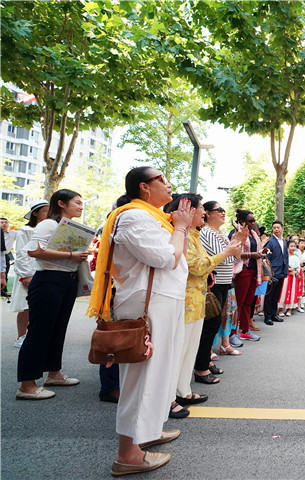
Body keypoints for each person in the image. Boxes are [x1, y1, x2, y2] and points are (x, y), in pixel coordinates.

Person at [86, 167, 191, 475]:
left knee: (161, 373)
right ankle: (128, 455)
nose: (169, 184)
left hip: (164, 300)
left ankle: (147, 433)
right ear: (144, 187)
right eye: (161, 179)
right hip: (148, 303)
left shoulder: (154, 217)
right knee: (142, 378)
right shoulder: (133, 217)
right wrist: (181, 227)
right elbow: (165, 258)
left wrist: (178, 227)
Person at [167, 194, 244, 416]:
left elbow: (207, 265)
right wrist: (226, 254)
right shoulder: (182, 235)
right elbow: (197, 267)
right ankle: (170, 398)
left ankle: (183, 391)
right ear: (187, 210)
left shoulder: (194, 235)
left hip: (197, 300)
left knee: (190, 349)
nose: (203, 211)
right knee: (179, 352)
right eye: (201, 207)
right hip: (186, 302)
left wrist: (229, 251)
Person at [17, 189, 87, 401]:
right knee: (39, 331)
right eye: (77, 202)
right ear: (61, 203)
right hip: (48, 280)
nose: (80, 206)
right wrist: (71, 255)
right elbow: (33, 251)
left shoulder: (72, 227)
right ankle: (27, 385)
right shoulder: (48, 223)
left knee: (58, 329)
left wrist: (79, 256)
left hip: (67, 281)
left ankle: (54, 374)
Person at [199, 201, 241, 374]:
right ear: (208, 213)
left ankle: (205, 362)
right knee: (210, 325)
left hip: (224, 282)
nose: (223, 213)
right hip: (214, 284)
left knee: (214, 325)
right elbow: (225, 258)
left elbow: (236, 257)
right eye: (219, 210)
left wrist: (236, 243)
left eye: (224, 210)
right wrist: (233, 248)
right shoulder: (207, 232)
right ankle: (202, 364)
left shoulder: (221, 233)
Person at [10, 200, 49, 348]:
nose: (48, 213)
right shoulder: (25, 231)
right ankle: (21, 336)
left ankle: (35, 336)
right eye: (45, 210)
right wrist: (25, 275)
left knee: (40, 307)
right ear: (35, 213)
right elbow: (21, 253)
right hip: (28, 272)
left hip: (43, 271)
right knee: (25, 306)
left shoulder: (49, 230)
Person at [232, 209, 262, 342]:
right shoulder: (236, 233)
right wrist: (251, 255)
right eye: (250, 221)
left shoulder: (254, 234)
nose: (252, 223)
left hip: (254, 270)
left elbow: (256, 250)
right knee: (238, 302)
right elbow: (234, 253)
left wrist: (261, 252)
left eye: (253, 221)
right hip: (242, 271)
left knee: (248, 303)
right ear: (242, 221)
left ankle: (245, 330)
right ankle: (232, 334)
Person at [263, 221, 289, 324]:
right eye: (274, 228)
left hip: (281, 272)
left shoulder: (284, 241)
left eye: (278, 227)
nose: (276, 229)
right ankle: (267, 317)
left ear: (282, 229)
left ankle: (274, 314)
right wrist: (269, 274)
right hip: (273, 273)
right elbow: (267, 258)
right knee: (269, 295)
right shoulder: (270, 241)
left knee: (276, 295)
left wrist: (285, 271)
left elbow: (285, 257)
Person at [278, 240, 302, 315]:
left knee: (292, 292)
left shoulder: (296, 257)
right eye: (291, 246)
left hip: (293, 278)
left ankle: (289, 309)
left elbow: (298, 267)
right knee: (283, 292)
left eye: (294, 246)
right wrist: (288, 269)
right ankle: (281, 309)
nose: (293, 248)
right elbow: (281, 266)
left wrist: (295, 272)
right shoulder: (284, 256)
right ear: (287, 247)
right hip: (286, 277)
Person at [1, 217, 17, 297]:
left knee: (5, 274)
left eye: (6, 222)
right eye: (2, 222)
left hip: (5, 255)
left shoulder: (13, 233)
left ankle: (3, 291)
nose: (4, 224)